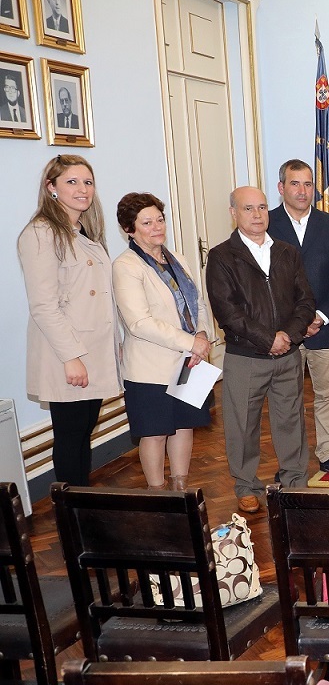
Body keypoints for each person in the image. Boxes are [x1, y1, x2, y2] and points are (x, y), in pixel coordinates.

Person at [206, 186, 316, 513]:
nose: (257, 215)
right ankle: (246, 486)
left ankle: (295, 483)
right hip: (246, 357)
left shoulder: (287, 252)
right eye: (248, 208)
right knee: (242, 425)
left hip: (288, 354)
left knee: (291, 421)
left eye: (262, 208)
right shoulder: (222, 256)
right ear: (233, 213)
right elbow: (227, 311)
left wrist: (289, 335)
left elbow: (305, 300)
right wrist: (268, 339)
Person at [17, 154, 120, 486]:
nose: (82, 189)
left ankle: (81, 501)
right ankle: (70, 508)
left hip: (93, 350)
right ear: (52, 187)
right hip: (66, 354)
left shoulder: (85, 234)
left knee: (84, 431)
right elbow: (43, 306)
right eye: (72, 182)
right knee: (70, 435)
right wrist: (71, 357)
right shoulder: (41, 233)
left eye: (88, 182)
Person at [111, 193, 212, 490]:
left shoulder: (177, 258)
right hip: (150, 367)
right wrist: (190, 342)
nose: (157, 227)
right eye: (147, 222)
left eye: (160, 219)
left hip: (190, 361)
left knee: (183, 425)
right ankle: (157, 495)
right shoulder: (126, 265)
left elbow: (198, 303)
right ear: (129, 229)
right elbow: (139, 322)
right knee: (154, 433)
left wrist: (202, 335)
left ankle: (180, 489)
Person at [267, 159, 329, 479]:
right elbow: (260, 281)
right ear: (281, 188)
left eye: (308, 184)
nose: (302, 191)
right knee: (286, 399)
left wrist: (320, 316)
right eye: (295, 184)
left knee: (328, 395)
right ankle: (291, 462)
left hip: (324, 327)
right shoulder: (266, 224)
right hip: (283, 331)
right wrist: (292, 323)